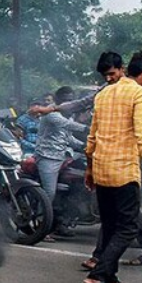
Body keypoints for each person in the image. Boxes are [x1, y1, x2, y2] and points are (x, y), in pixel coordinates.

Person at [79, 52, 142, 283]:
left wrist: (89, 169)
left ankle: (111, 280)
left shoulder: (105, 93)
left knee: (109, 225)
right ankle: (95, 277)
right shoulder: (140, 93)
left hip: (102, 169)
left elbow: (91, 136)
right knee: (127, 227)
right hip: (123, 171)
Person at [33, 86, 89, 237]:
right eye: (65, 100)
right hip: (48, 157)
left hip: (65, 157)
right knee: (49, 194)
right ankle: (39, 227)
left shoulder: (67, 115)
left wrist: (84, 146)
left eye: (71, 100)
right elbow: (69, 126)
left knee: (76, 185)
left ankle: (63, 221)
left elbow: (68, 137)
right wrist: (89, 129)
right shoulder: (52, 113)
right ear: (58, 101)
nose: (69, 103)